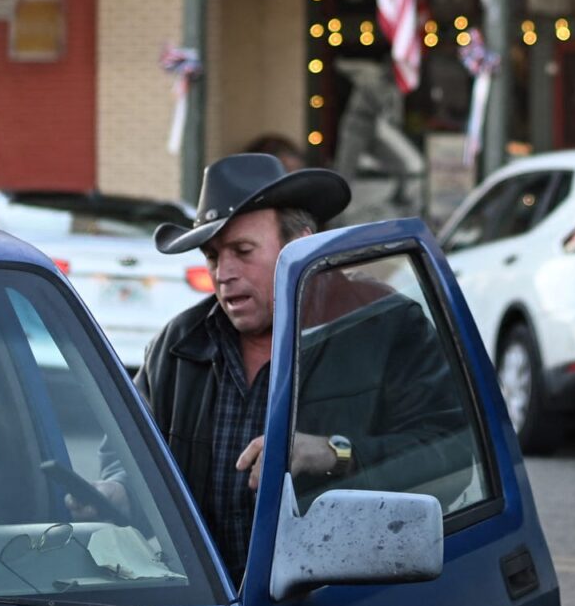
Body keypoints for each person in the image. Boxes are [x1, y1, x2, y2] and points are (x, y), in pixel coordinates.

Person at [95, 153, 466, 579]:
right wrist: (119, 493)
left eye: (242, 250)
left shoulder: (384, 327)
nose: (224, 273)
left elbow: (451, 457)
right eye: (212, 255)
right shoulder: (178, 346)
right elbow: (128, 458)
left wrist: (336, 454)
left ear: (302, 248)